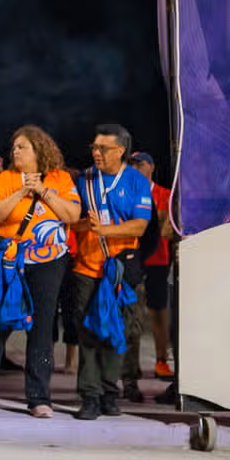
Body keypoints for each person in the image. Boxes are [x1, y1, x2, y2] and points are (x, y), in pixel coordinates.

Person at [0, 125, 79, 416]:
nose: (15, 151)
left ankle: (39, 398)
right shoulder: (7, 178)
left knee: (42, 328)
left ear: (39, 150)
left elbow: (72, 214)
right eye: (14, 147)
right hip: (12, 261)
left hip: (49, 262)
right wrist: (21, 190)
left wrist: (42, 190)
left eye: (22, 147)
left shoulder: (60, 178)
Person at [68, 123, 153, 420]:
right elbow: (74, 222)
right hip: (87, 267)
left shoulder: (136, 182)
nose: (96, 152)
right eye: (93, 147)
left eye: (102, 148)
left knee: (120, 332)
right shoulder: (85, 179)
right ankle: (90, 396)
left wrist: (105, 229)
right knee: (89, 331)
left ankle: (110, 392)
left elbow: (140, 226)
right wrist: (84, 227)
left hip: (121, 267)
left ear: (120, 151)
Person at [130, 151, 175, 381]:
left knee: (158, 312)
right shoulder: (126, 192)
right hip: (132, 259)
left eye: (140, 164)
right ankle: (131, 365)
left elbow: (167, 228)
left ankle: (161, 361)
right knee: (132, 312)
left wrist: (148, 219)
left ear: (152, 167)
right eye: (132, 165)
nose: (135, 168)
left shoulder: (165, 194)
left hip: (158, 260)